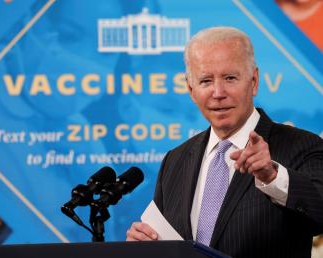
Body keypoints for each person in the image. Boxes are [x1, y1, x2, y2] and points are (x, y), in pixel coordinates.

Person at [125, 26, 323, 258]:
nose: (218, 92)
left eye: (230, 78)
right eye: (206, 81)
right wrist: (147, 245)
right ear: (191, 89)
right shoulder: (175, 160)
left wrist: (272, 176)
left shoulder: (302, 145)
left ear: (254, 81)